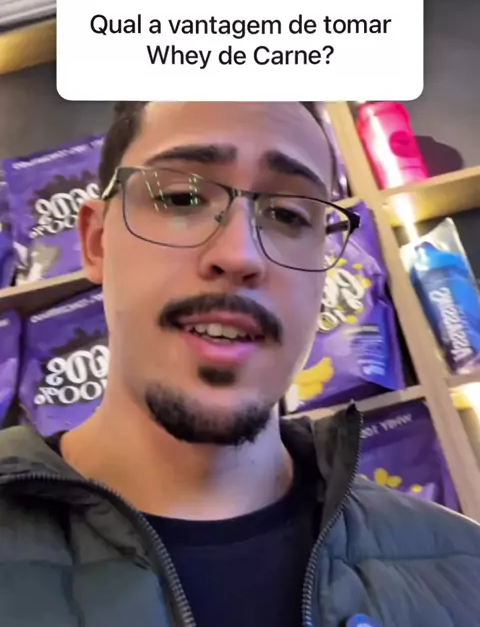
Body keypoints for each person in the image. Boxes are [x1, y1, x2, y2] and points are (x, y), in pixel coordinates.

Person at [0, 101, 479, 627]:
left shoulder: (465, 573)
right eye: (181, 197)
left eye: (289, 215)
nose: (240, 254)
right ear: (97, 241)